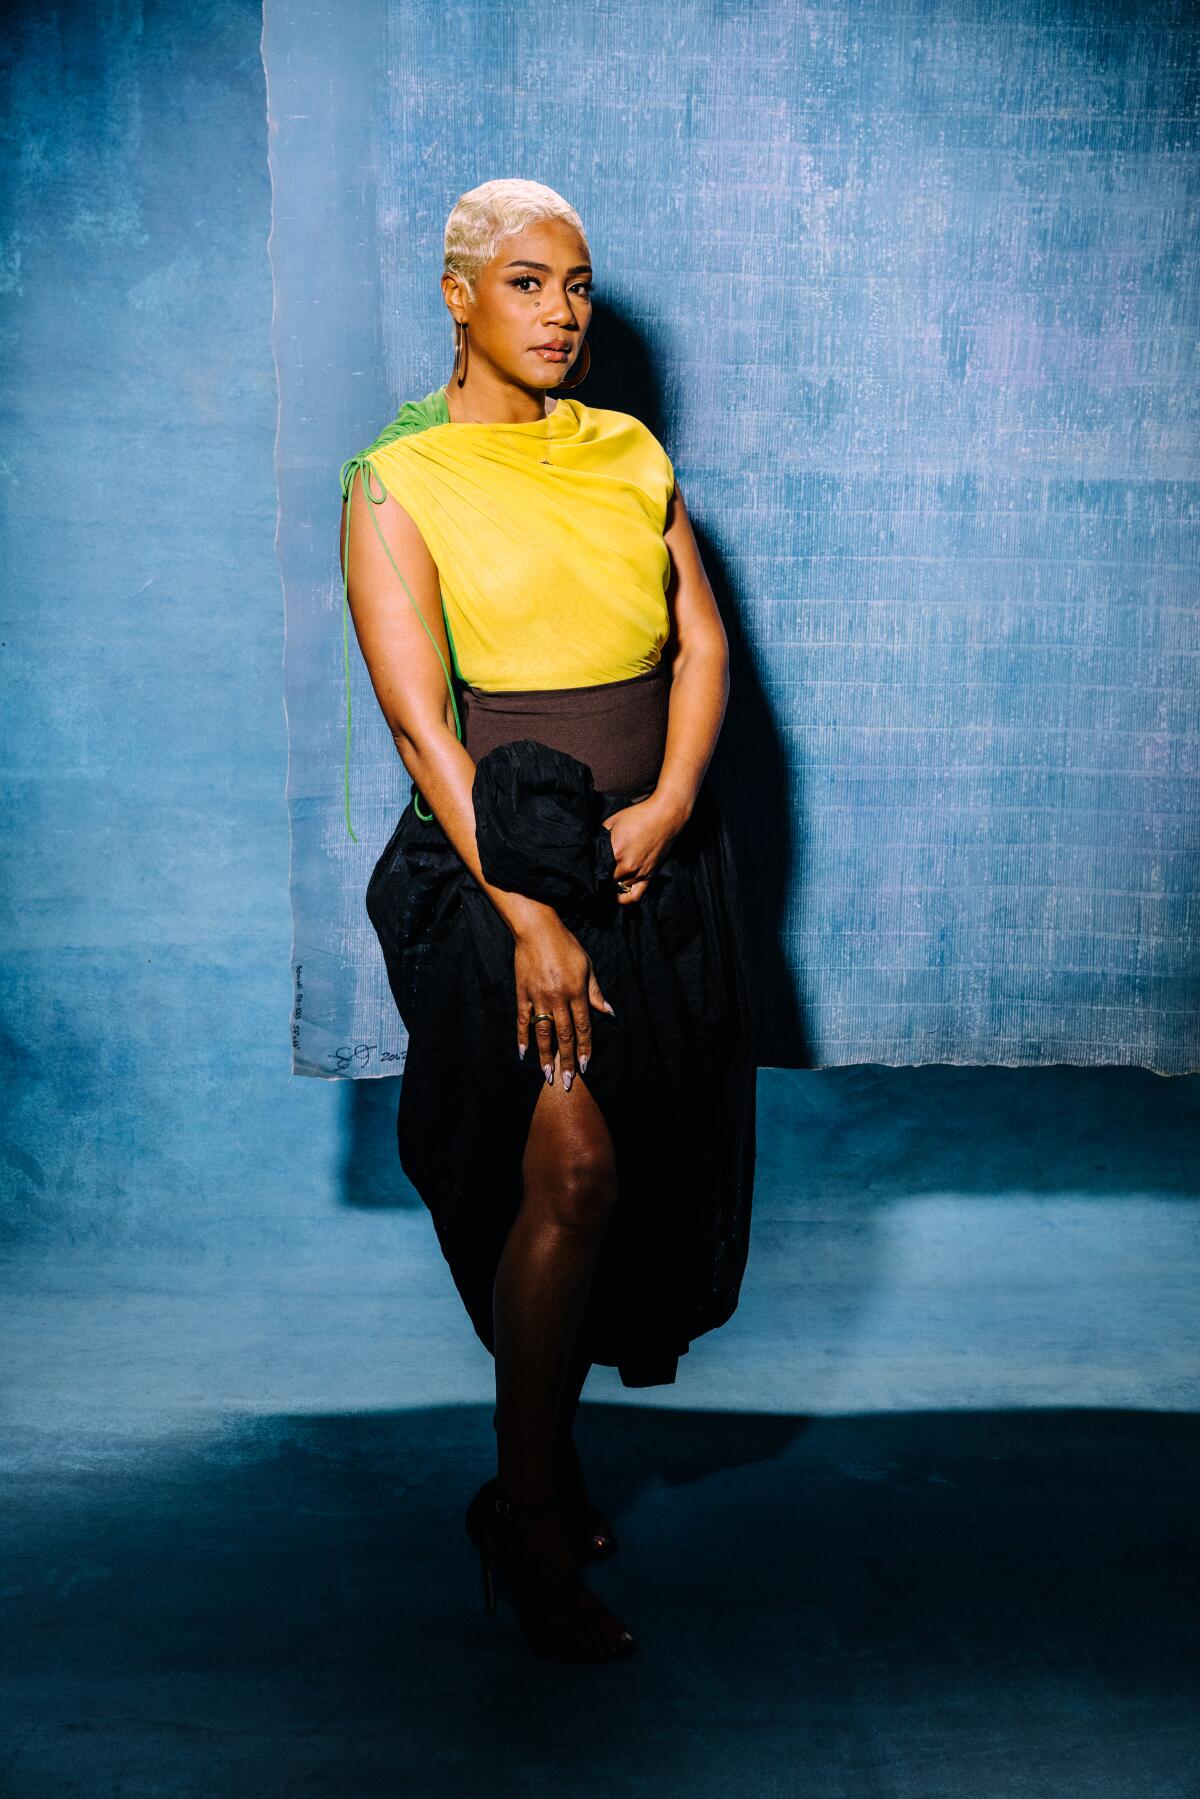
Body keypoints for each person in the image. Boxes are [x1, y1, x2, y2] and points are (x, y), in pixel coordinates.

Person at [339, 178, 756, 1662]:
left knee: (624, 1181)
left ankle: (546, 1464)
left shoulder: (627, 451)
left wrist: (672, 802)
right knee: (567, 1168)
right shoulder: (396, 480)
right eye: (527, 283)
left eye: (577, 285)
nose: (563, 313)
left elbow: (700, 642)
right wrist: (529, 913)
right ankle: (522, 1512)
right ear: (460, 296)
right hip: (499, 871)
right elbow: (420, 733)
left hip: (655, 866)